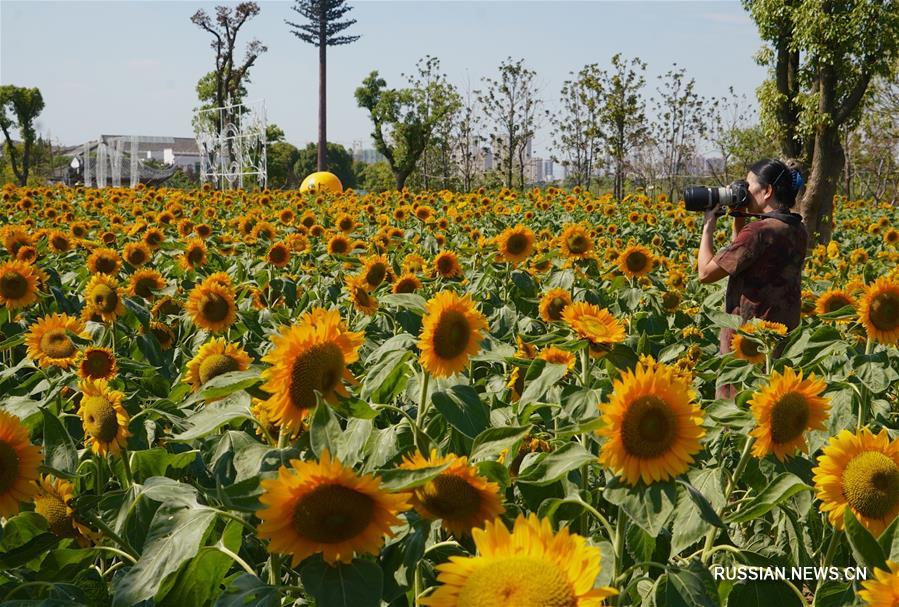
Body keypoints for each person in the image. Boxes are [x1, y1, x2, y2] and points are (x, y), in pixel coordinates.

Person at [696, 159, 808, 399]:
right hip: (780, 334)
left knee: (738, 405)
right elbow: (745, 257)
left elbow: (705, 274)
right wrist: (740, 216)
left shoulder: (759, 232)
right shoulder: (798, 229)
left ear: (767, 191)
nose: (744, 193)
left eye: (748, 187)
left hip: (748, 340)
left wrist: (708, 226)